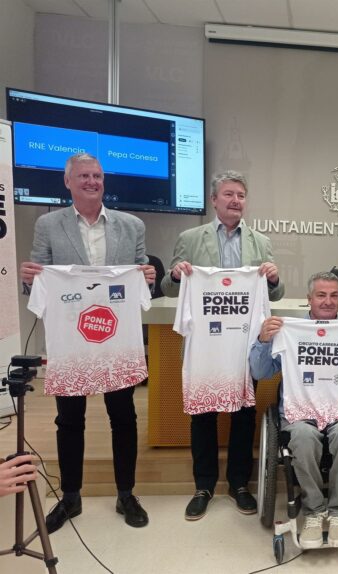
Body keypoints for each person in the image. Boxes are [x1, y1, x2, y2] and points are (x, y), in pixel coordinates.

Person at [19, 152, 156, 533]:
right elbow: (37, 281)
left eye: (97, 175)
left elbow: (143, 275)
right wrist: (30, 279)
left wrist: (147, 275)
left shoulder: (131, 225)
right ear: (68, 182)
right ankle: (71, 497)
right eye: (83, 176)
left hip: (116, 340)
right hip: (71, 341)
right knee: (69, 420)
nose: (92, 181)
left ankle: (126, 494)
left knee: (124, 417)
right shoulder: (48, 224)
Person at [161, 170, 284, 521]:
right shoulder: (189, 238)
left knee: (244, 415)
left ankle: (239, 484)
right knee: (203, 414)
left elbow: (275, 295)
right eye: (229, 194)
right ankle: (203, 486)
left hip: (245, 344)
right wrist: (175, 275)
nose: (235, 200)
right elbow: (169, 289)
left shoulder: (261, 241)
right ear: (214, 200)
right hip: (206, 344)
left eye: (241, 195)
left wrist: (274, 279)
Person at [249, 272, 338, 547]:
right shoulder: (290, 330)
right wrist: (263, 340)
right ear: (308, 299)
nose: (328, 301)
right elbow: (260, 372)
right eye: (321, 295)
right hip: (299, 412)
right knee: (301, 436)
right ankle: (313, 511)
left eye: (334, 295)